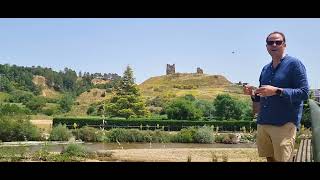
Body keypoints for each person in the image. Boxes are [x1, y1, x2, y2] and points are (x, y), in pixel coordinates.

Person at [243, 31, 309, 162]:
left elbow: (304, 93)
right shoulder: (265, 69)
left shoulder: (295, 64)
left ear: (284, 45)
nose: (274, 44)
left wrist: (277, 91)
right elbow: (261, 97)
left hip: (284, 124)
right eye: (270, 42)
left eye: (278, 42)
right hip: (264, 122)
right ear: (266, 46)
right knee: (270, 159)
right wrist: (253, 94)